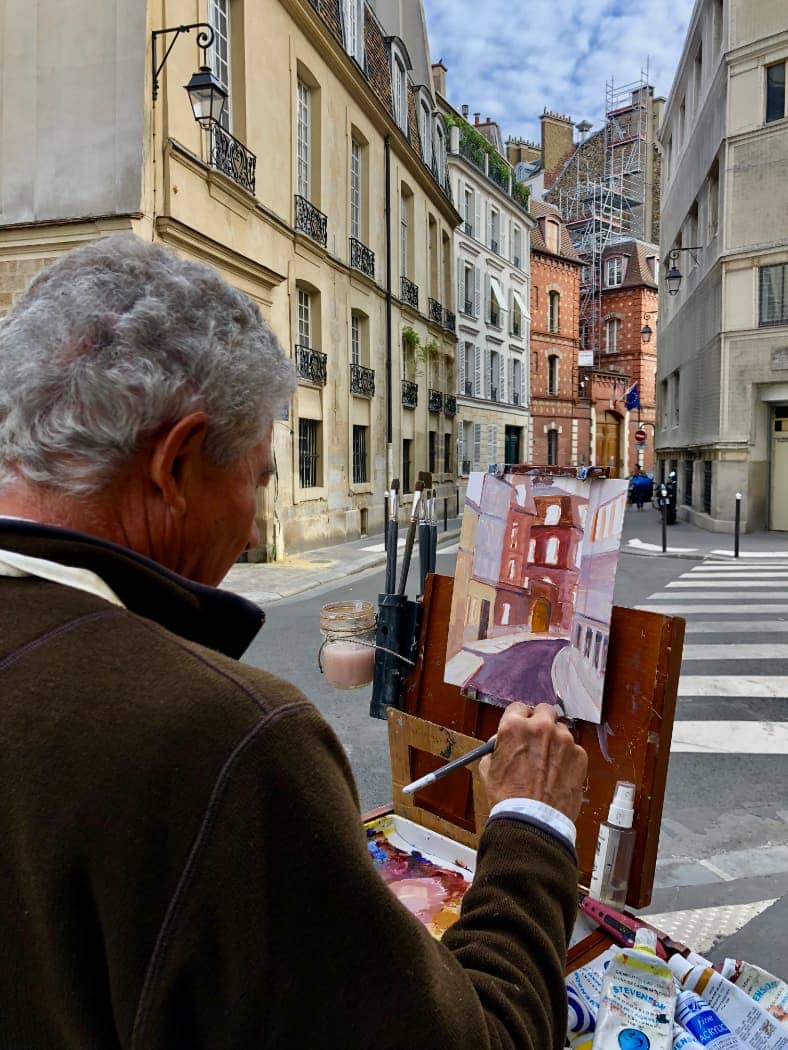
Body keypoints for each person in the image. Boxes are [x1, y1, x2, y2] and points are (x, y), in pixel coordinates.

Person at [0, 236, 588, 1049]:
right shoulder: (220, 741)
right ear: (174, 466)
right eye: (259, 477)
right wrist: (532, 824)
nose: (249, 525)